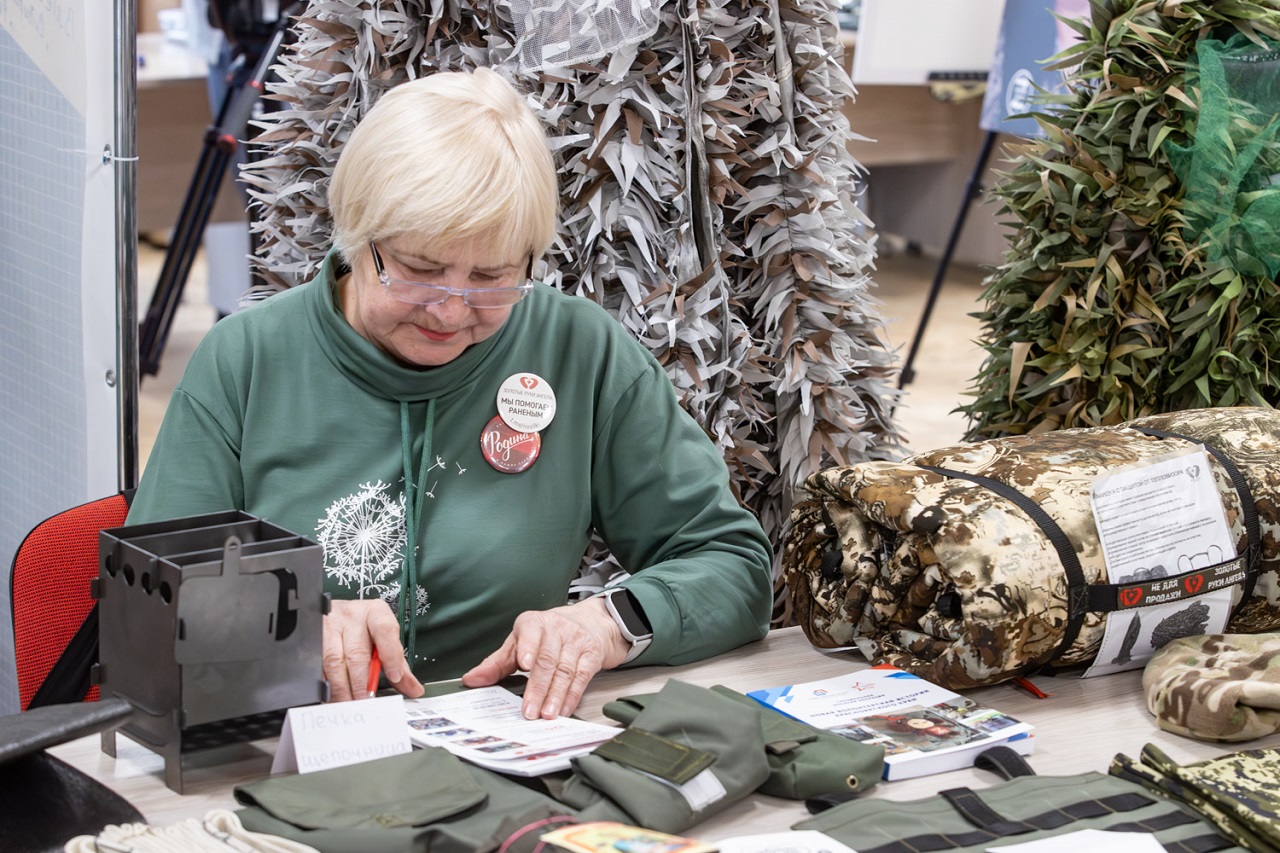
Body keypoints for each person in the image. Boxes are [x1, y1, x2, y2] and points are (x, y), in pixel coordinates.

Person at [127, 67, 774, 720]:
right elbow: (149, 606)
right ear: (357, 236)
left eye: (492, 277)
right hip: (277, 752)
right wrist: (286, 630)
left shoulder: (578, 351)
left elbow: (731, 566)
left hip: (504, 756)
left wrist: (608, 622)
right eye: (419, 270)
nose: (449, 310)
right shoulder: (248, 359)